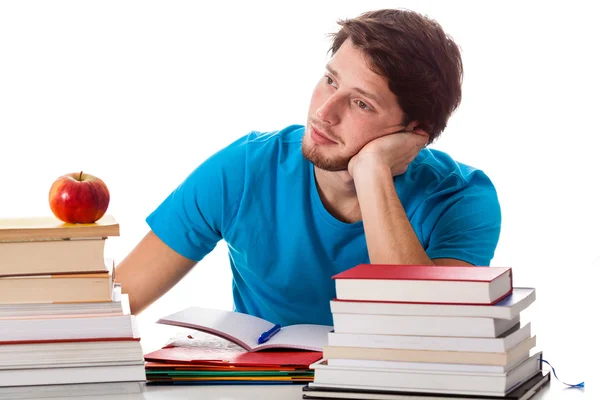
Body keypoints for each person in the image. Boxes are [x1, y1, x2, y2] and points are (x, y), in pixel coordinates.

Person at [115, 8, 501, 327]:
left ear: (416, 132)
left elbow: (430, 329)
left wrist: (371, 172)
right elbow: (116, 304)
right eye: (331, 81)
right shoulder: (245, 169)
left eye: (361, 104)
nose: (323, 113)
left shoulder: (462, 198)